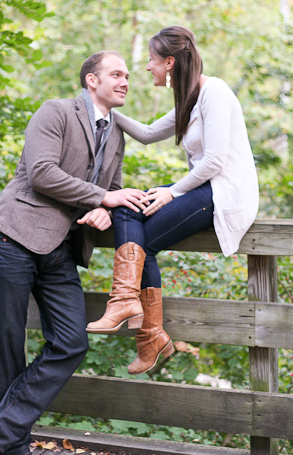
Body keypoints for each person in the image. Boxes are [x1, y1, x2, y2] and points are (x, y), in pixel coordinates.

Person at [0, 51, 147, 455]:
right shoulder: (56, 112)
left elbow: (114, 190)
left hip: (62, 250)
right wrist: (100, 199)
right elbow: (42, 173)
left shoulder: (117, 134)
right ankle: (15, 451)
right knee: (8, 345)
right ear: (91, 80)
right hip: (16, 237)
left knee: (71, 341)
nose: (125, 81)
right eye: (116, 74)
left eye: (127, 75)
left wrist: (107, 210)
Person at [87, 26, 259, 376]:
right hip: (200, 189)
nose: (148, 68)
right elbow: (149, 133)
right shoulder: (190, 98)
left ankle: (146, 331)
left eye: (151, 60)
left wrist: (173, 191)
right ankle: (134, 315)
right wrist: (101, 105)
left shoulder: (215, 92)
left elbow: (214, 161)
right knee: (125, 205)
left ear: (169, 62)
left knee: (143, 243)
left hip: (222, 193)